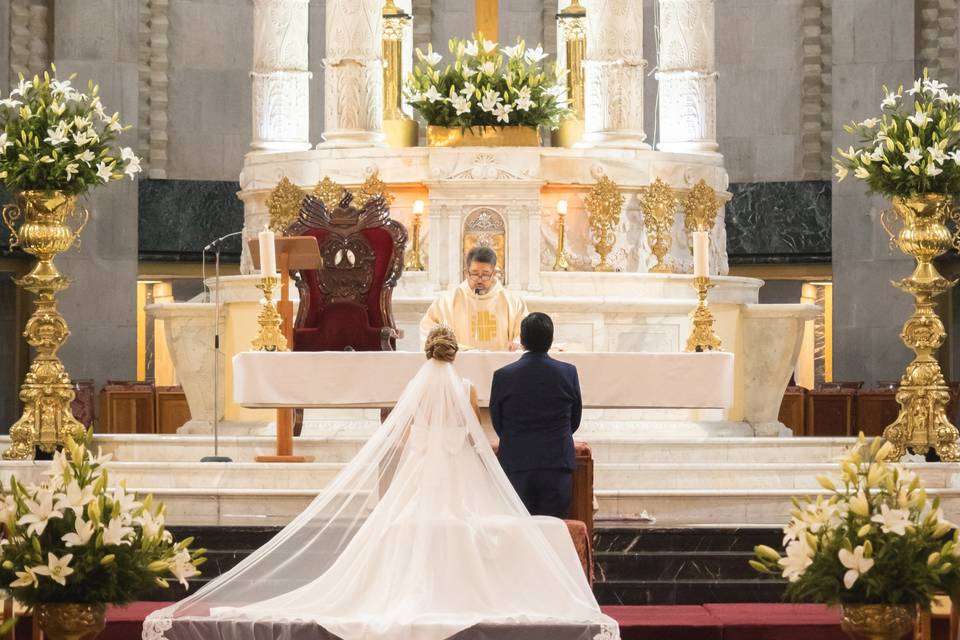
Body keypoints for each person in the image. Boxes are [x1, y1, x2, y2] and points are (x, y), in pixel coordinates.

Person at [144, 326, 618, 640]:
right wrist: (475, 454)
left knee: (416, 521)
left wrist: (430, 447)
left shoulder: (417, 387)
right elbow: (478, 432)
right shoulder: (467, 387)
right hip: (464, 460)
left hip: (427, 462)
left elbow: (410, 432)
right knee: (470, 520)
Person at [490, 312, 581, 519]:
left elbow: (498, 421)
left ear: (522, 340)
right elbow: (574, 419)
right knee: (554, 527)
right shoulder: (568, 372)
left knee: (520, 530)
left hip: (517, 461)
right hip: (556, 462)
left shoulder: (504, 375)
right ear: (551, 339)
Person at [420, 246, 528, 351]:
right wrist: (454, 348)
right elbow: (429, 332)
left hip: (501, 367)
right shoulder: (446, 303)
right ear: (466, 272)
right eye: (475, 274)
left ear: (494, 273)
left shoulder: (513, 303)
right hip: (460, 365)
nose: (479, 280)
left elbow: (525, 334)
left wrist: (517, 344)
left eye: (485, 274)